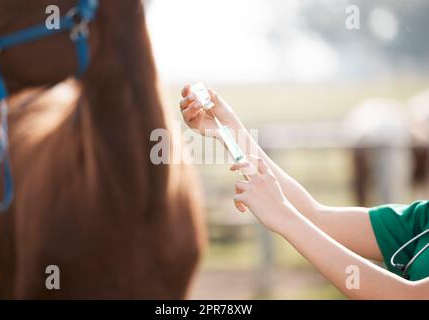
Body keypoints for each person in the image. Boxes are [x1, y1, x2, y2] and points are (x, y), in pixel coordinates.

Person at [179, 84, 429, 299]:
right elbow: (315, 216)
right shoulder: (422, 219)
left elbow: (406, 296)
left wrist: (282, 216)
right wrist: (228, 129)